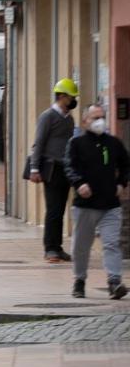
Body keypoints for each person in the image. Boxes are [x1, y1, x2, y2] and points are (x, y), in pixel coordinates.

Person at [65, 104, 130, 299]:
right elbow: (69, 167)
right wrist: (79, 184)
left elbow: (126, 165)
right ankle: (79, 280)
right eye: (95, 118)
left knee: (111, 243)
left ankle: (114, 281)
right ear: (85, 121)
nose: (99, 121)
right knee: (81, 246)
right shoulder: (76, 143)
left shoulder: (114, 143)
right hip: (85, 205)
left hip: (111, 205)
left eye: (102, 117)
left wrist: (121, 183)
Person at [29, 78, 80, 263]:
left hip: (66, 168)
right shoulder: (48, 116)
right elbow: (39, 143)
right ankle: (50, 249)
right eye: (71, 97)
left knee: (60, 209)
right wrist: (35, 169)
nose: (74, 100)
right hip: (51, 169)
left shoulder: (69, 118)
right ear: (62, 96)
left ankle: (58, 248)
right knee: (53, 209)